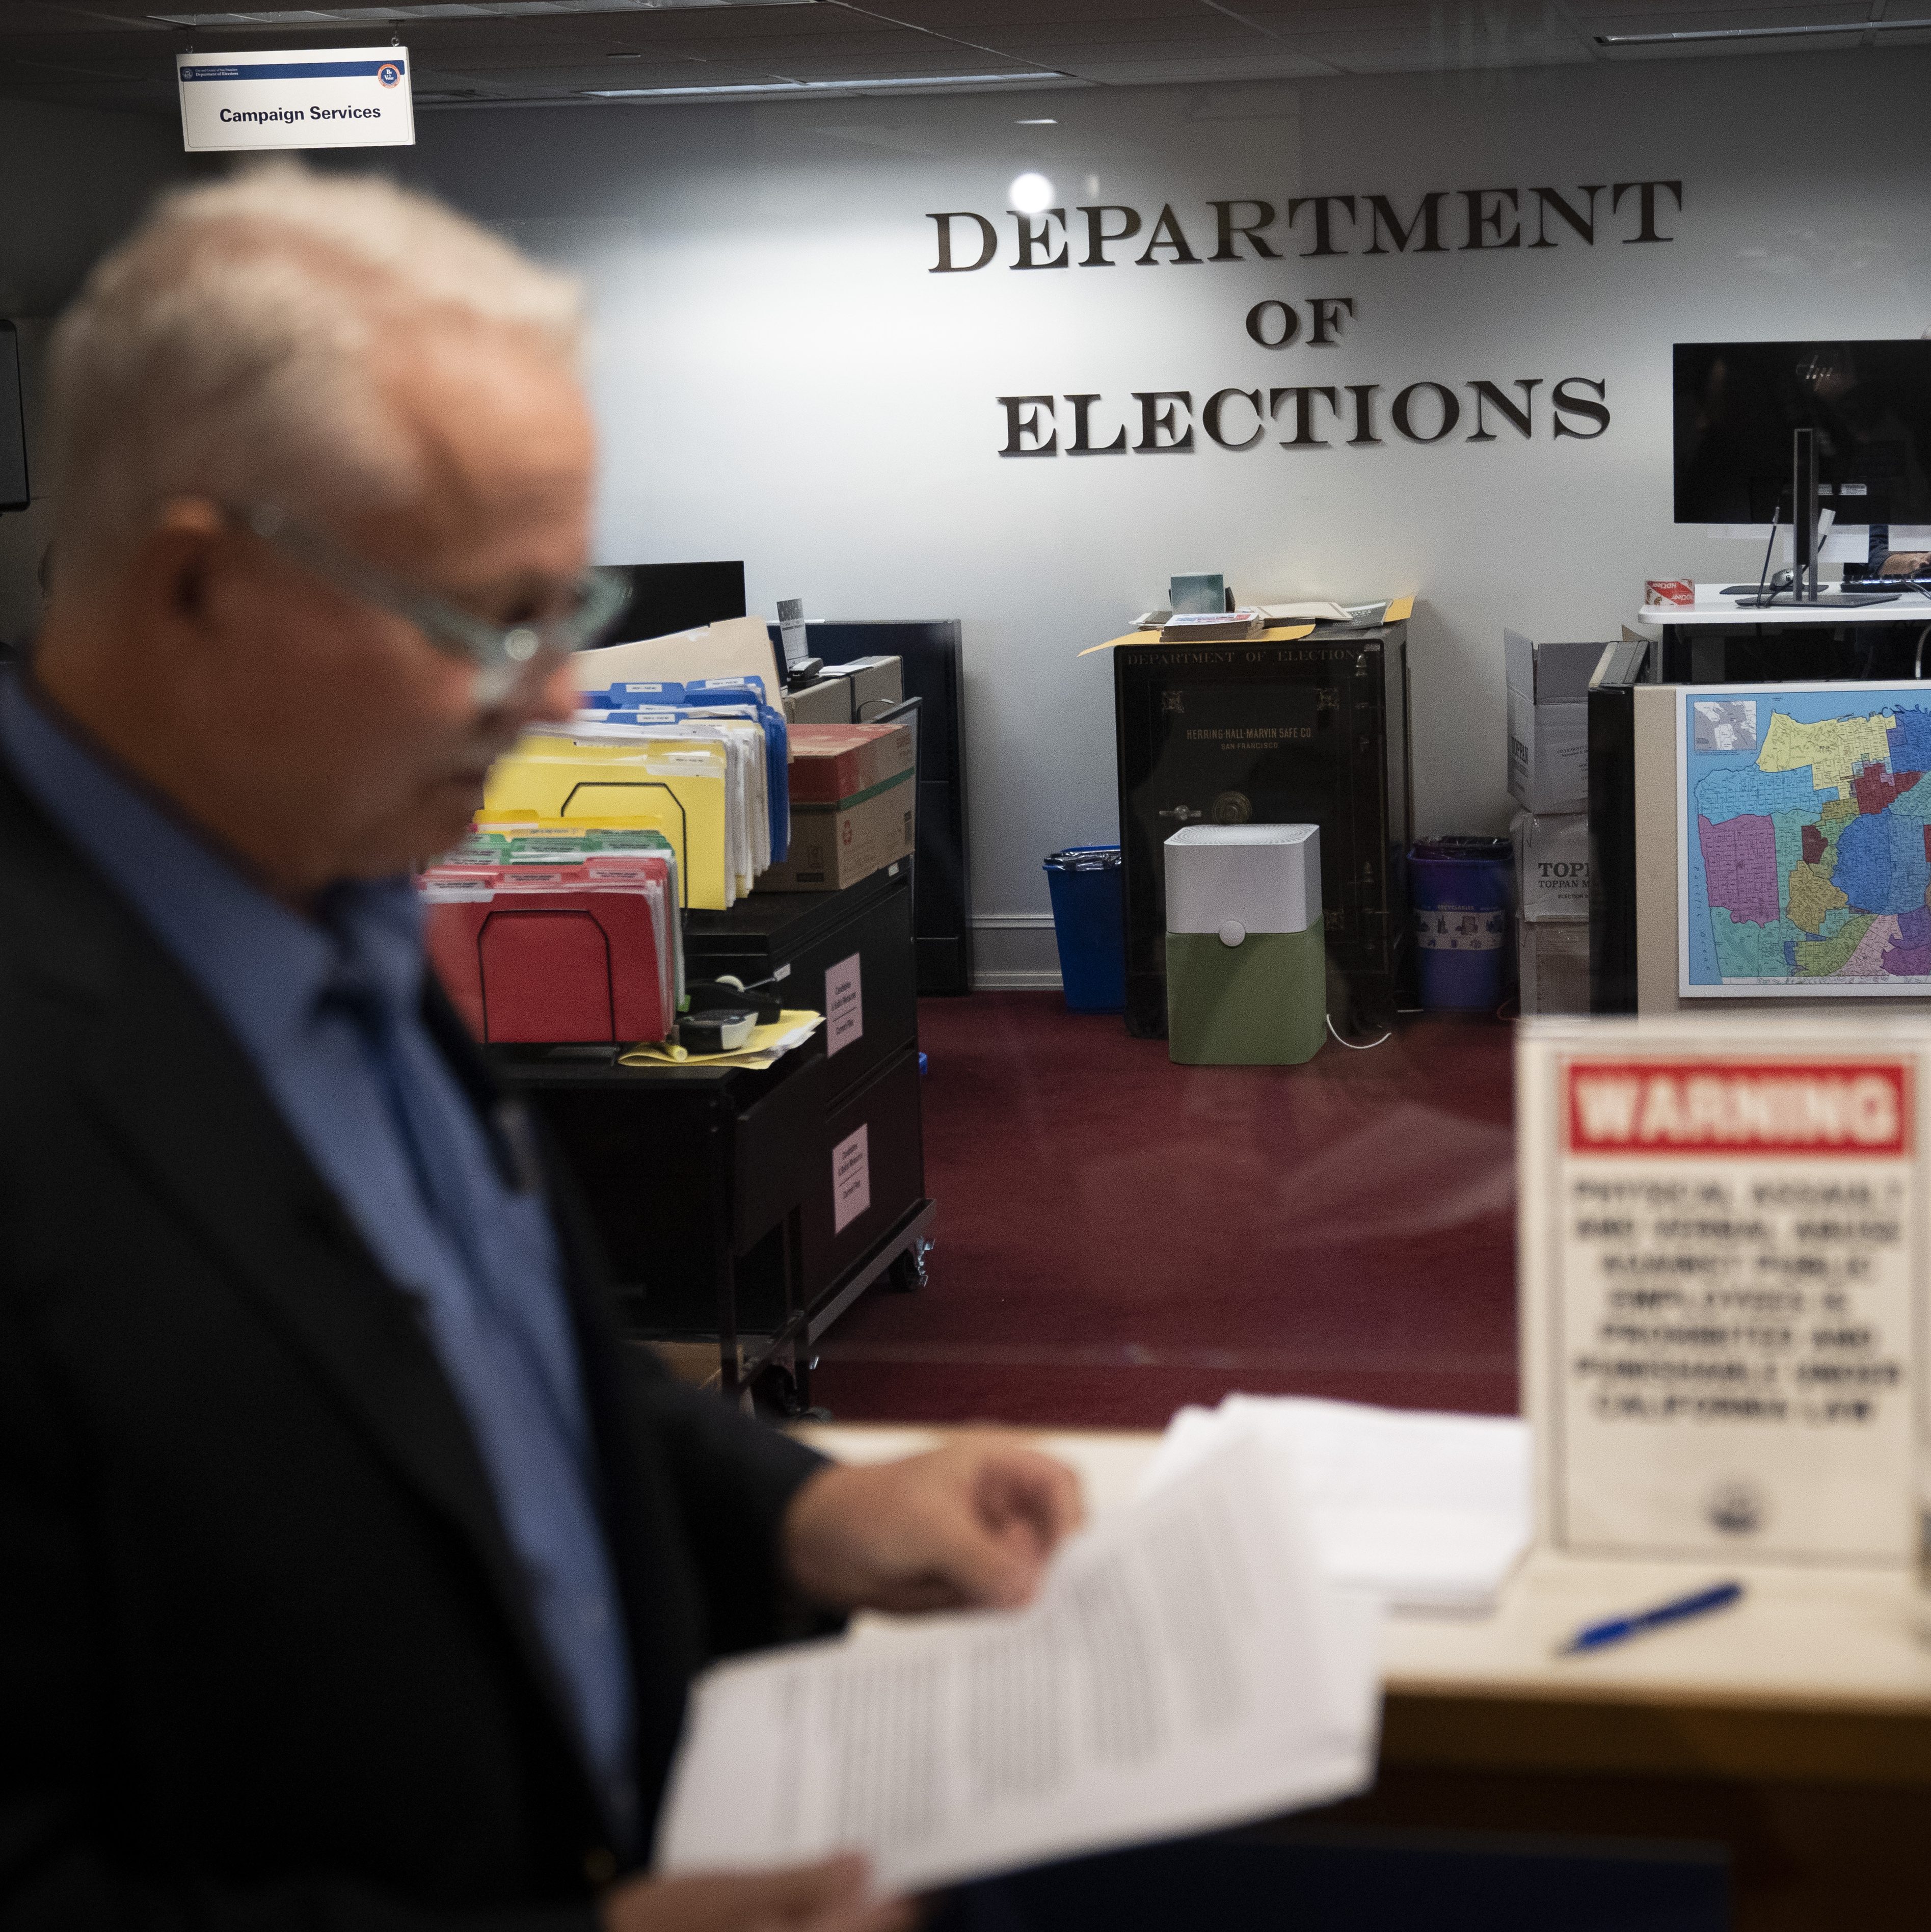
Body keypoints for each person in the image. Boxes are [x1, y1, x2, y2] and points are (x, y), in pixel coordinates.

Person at [0, 164, 1082, 1931]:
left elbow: (502, 1392)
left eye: (565, 611)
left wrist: (802, 1515)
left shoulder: (327, 882)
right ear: (197, 585)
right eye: (486, 620)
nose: (558, 696)